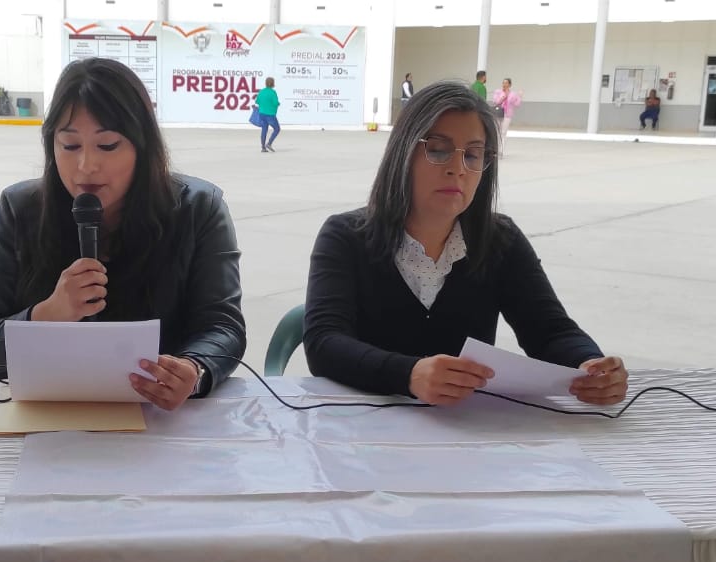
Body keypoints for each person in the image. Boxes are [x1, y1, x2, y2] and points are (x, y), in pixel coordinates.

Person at [303, 82, 627, 407]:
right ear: (403, 153)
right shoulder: (345, 236)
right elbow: (324, 343)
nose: (457, 169)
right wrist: (409, 375)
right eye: (438, 150)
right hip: (362, 422)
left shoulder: (500, 240)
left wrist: (591, 366)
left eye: (472, 155)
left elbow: (550, 330)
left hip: (465, 427)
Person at [0, 58, 245, 411]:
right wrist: (48, 314)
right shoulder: (20, 209)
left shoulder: (198, 208)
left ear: (142, 147)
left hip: (159, 417)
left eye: (107, 145)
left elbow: (223, 327)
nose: (86, 166)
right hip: (48, 418)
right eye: (69, 146)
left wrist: (194, 369)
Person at [490, 78, 521, 156]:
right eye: (503, 83)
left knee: (503, 132)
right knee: (497, 132)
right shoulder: (498, 92)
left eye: (506, 83)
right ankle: (496, 149)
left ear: (510, 85)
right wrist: (504, 96)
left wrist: (519, 96)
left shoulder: (513, 94)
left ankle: (501, 150)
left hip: (507, 115)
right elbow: (496, 101)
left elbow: (517, 104)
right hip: (498, 113)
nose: (504, 84)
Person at [255, 76, 280, 152]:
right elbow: (275, 103)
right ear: (273, 83)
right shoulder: (273, 92)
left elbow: (257, 101)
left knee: (264, 129)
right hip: (270, 114)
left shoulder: (261, 91)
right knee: (277, 129)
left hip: (262, 114)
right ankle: (269, 143)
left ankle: (263, 147)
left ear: (265, 83)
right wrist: (278, 104)